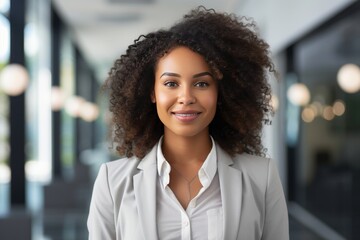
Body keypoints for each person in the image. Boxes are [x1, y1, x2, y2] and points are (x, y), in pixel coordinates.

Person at [87, 6, 289, 240]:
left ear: (220, 92)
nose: (186, 97)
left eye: (202, 84)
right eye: (171, 84)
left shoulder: (261, 178)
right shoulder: (112, 182)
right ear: (152, 92)